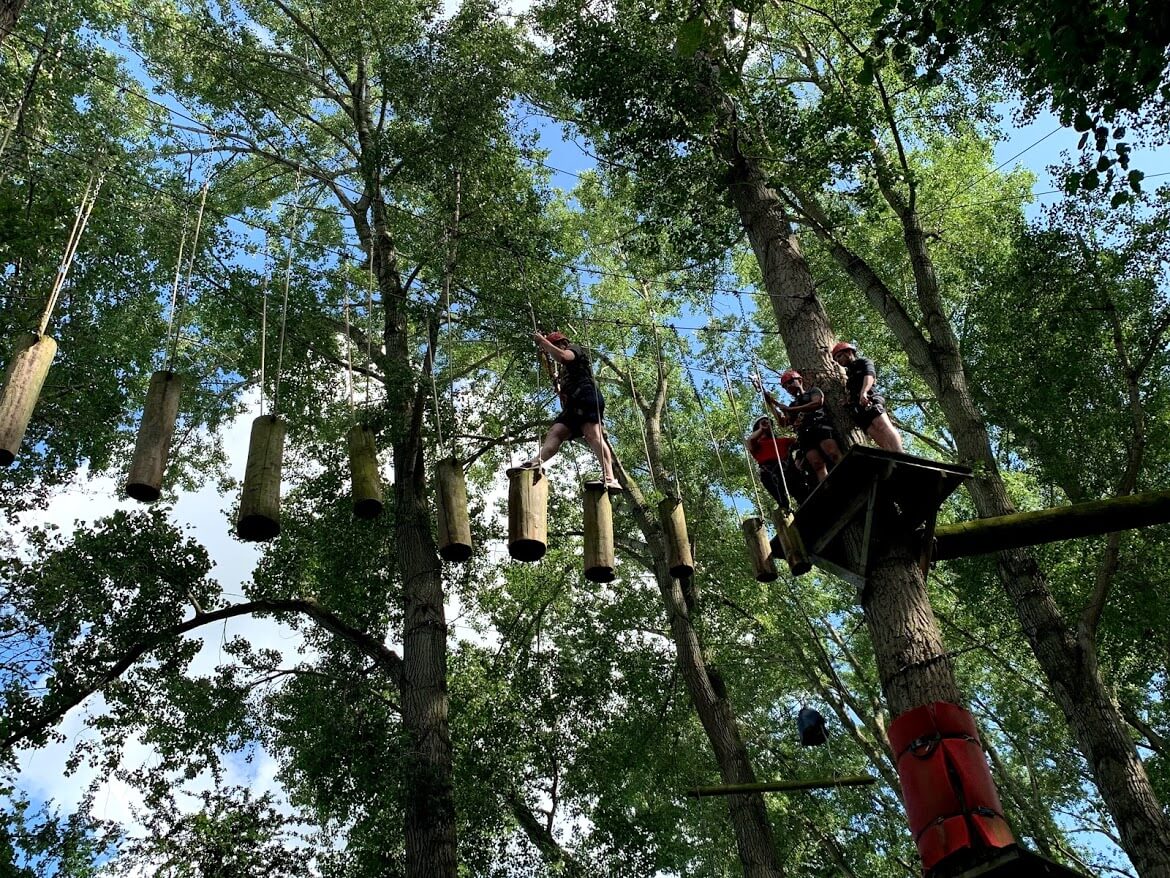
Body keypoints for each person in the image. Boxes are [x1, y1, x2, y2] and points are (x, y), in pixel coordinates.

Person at [520, 331, 620, 491]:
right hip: (573, 405)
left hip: (586, 396)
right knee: (556, 431)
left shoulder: (574, 349)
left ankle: (610, 478)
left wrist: (543, 342)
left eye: (556, 346)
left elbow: (563, 357)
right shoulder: (563, 372)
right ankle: (535, 462)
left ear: (562, 344)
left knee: (592, 434)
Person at [831, 341, 903, 453]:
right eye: (836, 359)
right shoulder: (849, 376)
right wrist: (848, 401)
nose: (838, 361)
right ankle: (892, 455)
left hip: (870, 398)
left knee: (883, 426)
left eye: (839, 356)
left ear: (849, 352)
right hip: (858, 408)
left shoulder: (863, 362)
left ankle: (900, 453)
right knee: (874, 433)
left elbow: (870, 376)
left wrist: (864, 392)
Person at [777, 369, 842, 482]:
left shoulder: (813, 391)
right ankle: (829, 490)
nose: (789, 387)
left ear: (799, 380)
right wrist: (773, 406)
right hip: (805, 435)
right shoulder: (793, 404)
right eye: (786, 387)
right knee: (817, 464)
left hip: (819, 426)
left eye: (790, 382)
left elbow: (817, 403)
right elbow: (785, 422)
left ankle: (850, 475)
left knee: (833, 454)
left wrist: (791, 409)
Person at [746, 413, 808, 510]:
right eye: (763, 423)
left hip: (789, 470)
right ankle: (786, 511)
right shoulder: (757, 445)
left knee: (803, 495)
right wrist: (762, 429)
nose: (766, 425)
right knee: (783, 503)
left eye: (768, 423)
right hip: (771, 473)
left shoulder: (782, 441)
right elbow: (750, 440)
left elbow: (801, 441)